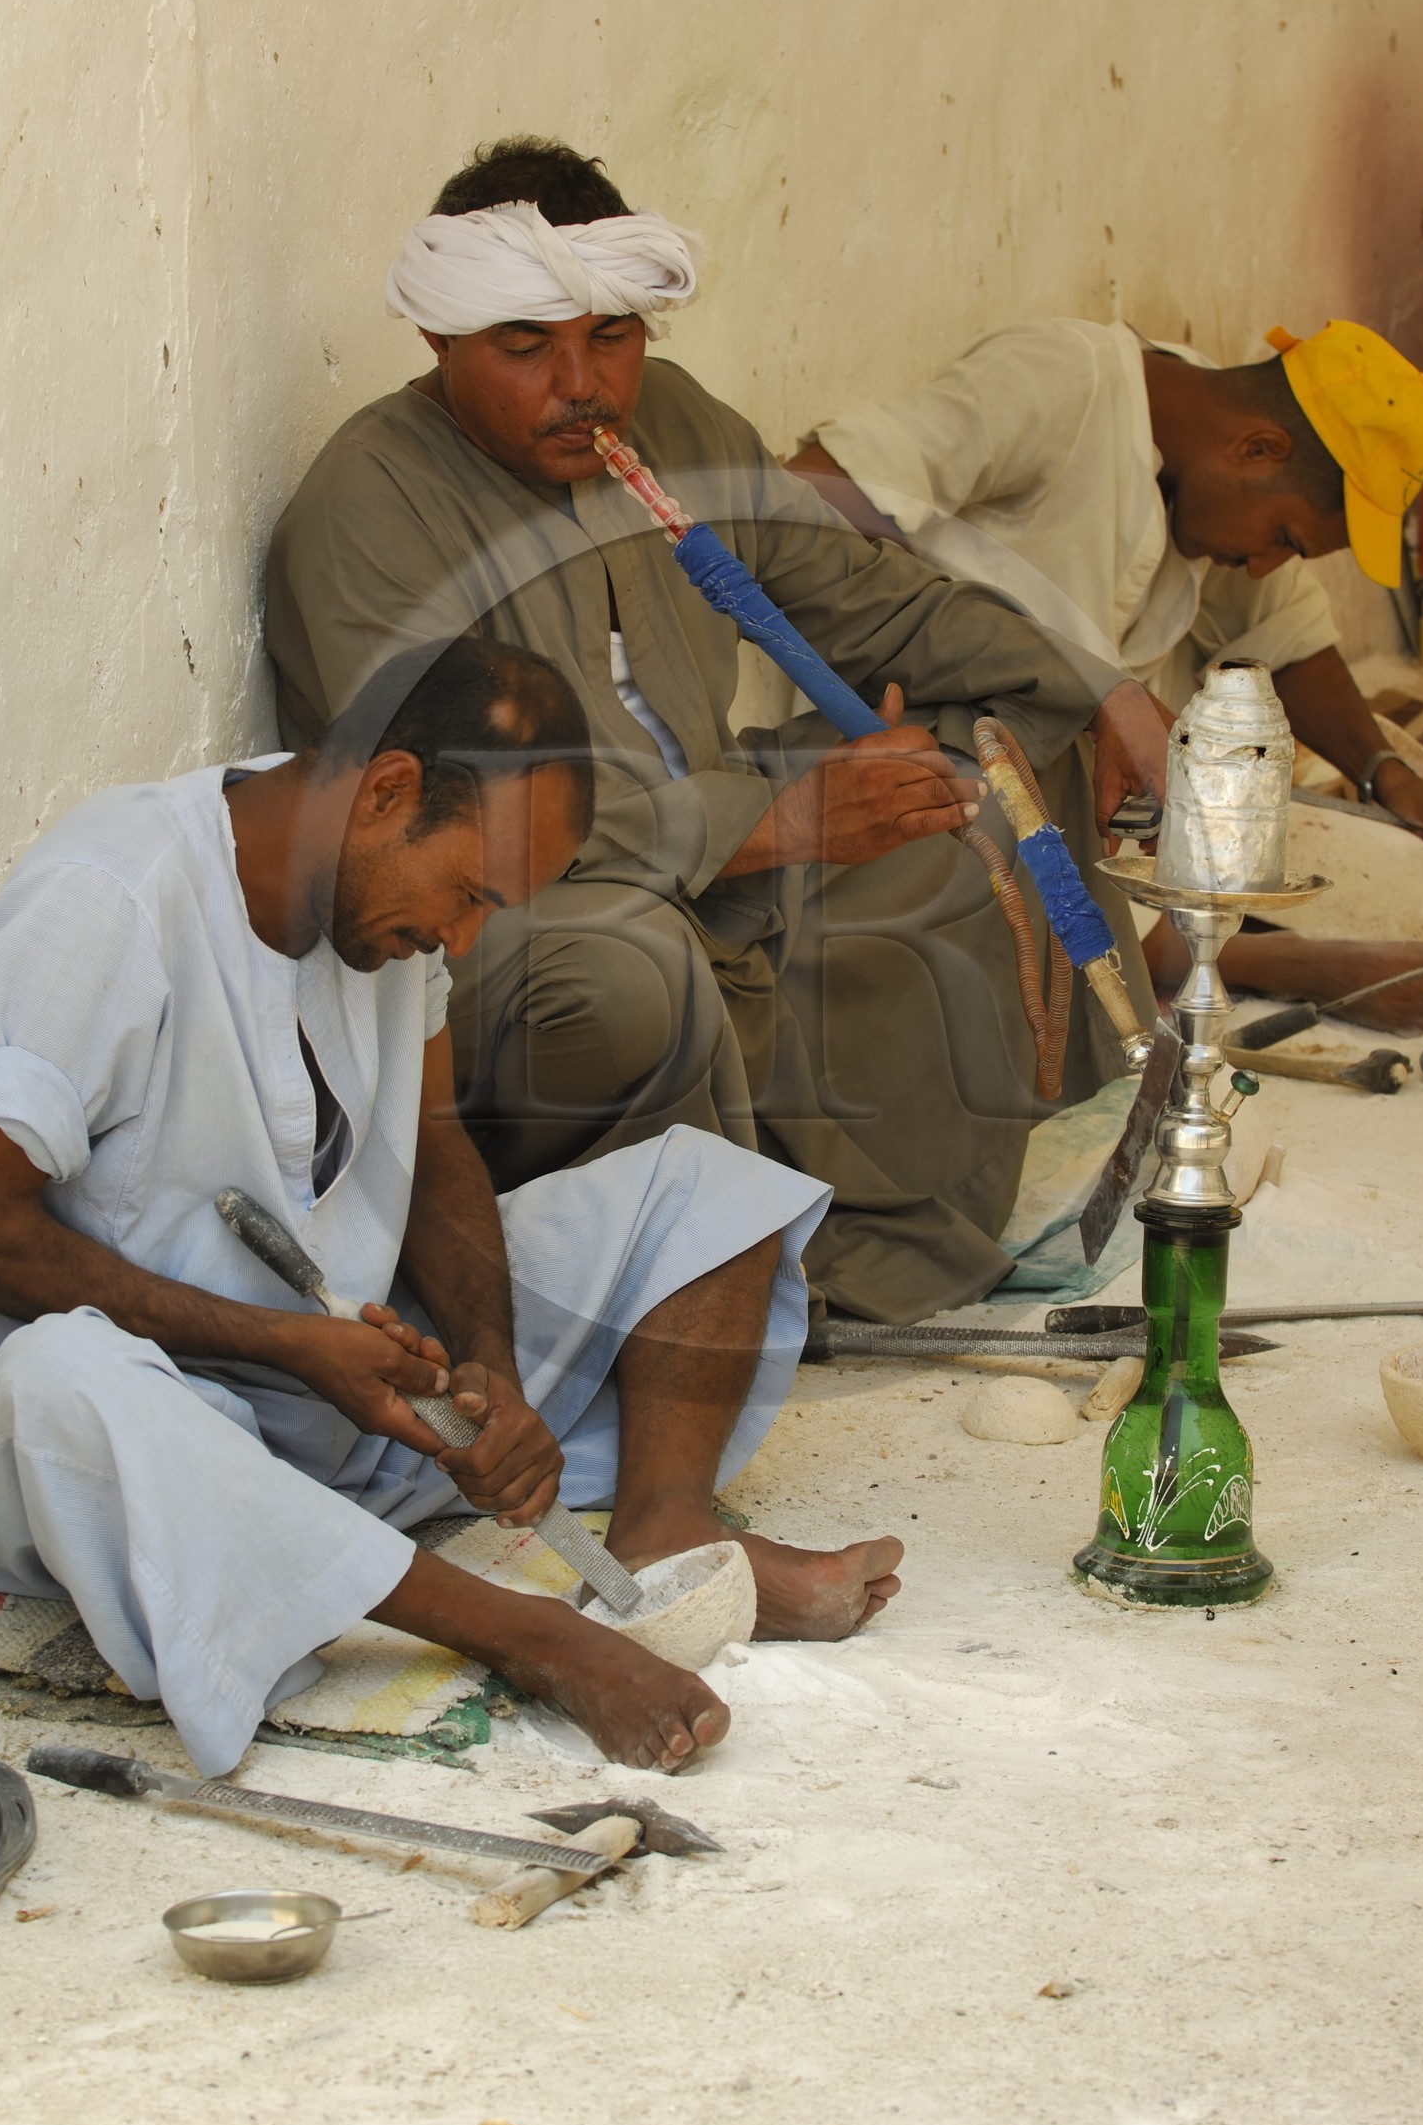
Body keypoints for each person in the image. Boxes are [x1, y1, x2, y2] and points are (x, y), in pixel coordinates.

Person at [0, 631, 904, 1781]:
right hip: (125, 1419)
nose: (460, 939)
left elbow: (437, 1146)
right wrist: (287, 1348)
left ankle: (664, 1528)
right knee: (75, 1388)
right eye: (466, 894)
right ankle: (528, 1633)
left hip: (338, 1390)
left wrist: (486, 1370)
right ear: (387, 791)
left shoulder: (374, 898)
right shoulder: (111, 897)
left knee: (707, 1188)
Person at [265, 139, 1172, 1326]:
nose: (579, 385)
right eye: (526, 348)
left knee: (986, 761)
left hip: (714, 830)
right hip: (506, 915)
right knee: (628, 967)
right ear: (440, 343)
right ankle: (716, 1290)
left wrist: (1094, 684)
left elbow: (863, 598)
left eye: (613, 338)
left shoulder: (677, 429)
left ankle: (893, 1233)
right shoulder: (367, 504)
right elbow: (455, 814)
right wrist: (774, 823)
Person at [788, 318, 1423, 1039]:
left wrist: (1390, 776)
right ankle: (1263, 962)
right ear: (1257, 448)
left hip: (1083, 813)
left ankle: (1215, 949)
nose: (1263, 567)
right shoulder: (1063, 380)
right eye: (1282, 539)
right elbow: (813, 490)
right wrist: (1039, 668)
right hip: (940, 778)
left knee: (1395, 878)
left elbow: (1287, 640)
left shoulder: (1209, 458)